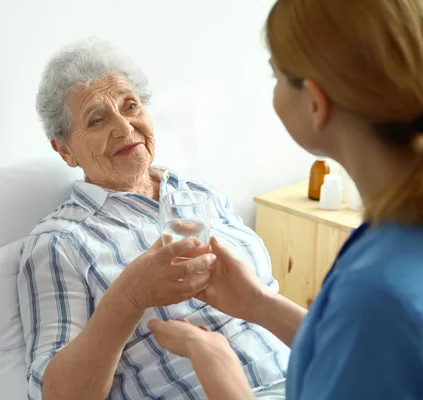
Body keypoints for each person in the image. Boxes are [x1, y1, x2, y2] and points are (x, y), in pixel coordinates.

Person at [148, 0, 423, 399]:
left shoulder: (375, 295)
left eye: (275, 76)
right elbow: (362, 355)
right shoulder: (395, 230)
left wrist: (213, 358)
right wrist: (260, 303)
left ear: (315, 102)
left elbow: (371, 332)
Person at [18, 38, 289, 400]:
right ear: (65, 149)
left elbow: (267, 295)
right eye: (97, 120)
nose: (125, 128)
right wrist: (129, 298)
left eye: (130, 106)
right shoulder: (59, 243)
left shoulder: (199, 193)